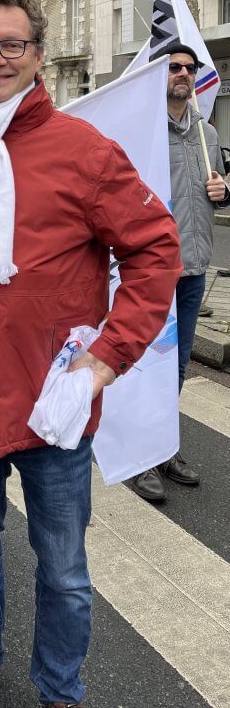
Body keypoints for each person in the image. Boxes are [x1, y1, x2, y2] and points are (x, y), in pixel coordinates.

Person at [0, 0, 182, 708]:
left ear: (36, 56)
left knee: (62, 569)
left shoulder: (83, 150)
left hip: (50, 403)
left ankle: (60, 688)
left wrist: (108, 356)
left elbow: (155, 251)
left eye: (11, 45)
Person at [133, 42, 230, 502]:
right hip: (153, 270)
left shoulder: (207, 135)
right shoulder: (143, 132)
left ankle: (163, 448)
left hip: (194, 267)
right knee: (148, 363)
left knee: (177, 364)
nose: (183, 74)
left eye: (189, 69)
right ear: (159, 75)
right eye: (174, 67)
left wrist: (223, 190)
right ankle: (141, 456)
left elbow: (216, 190)